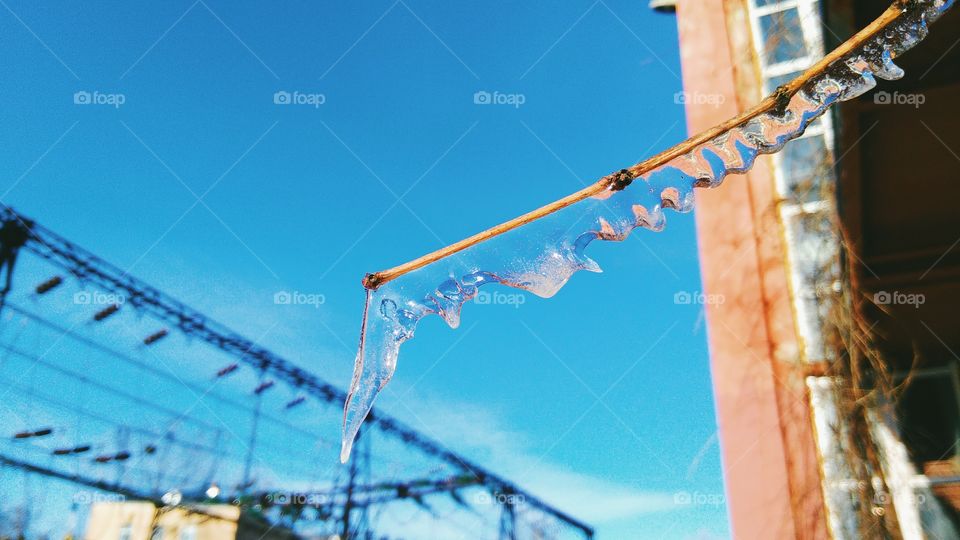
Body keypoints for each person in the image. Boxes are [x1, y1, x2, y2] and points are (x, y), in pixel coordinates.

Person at [0, 216, 33, 303]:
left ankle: (7, 286)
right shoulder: (17, 231)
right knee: (7, 268)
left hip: (9, 250)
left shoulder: (19, 232)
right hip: (9, 250)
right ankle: (7, 286)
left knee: (8, 269)